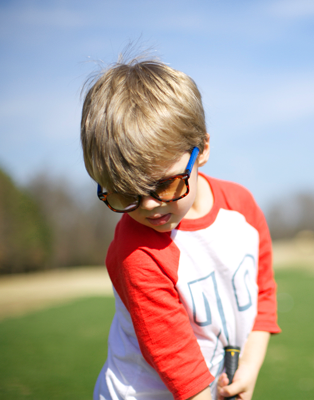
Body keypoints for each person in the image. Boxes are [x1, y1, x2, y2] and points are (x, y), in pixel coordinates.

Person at [80, 55, 280, 400]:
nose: (148, 205)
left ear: (202, 149)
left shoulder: (242, 208)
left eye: (166, 184)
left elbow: (263, 293)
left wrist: (249, 366)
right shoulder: (137, 254)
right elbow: (180, 367)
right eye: (124, 193)